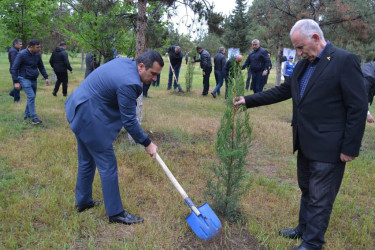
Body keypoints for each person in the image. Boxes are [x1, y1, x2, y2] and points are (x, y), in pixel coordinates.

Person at [234, 19, 367, 250]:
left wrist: (350, 148)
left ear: (315, 38)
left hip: (330, 145)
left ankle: (313, 243)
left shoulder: (344, 61)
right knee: (307, 188)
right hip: (305, 141)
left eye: (300, 47)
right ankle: (303, 229)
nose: (298, 52)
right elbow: (286, 90)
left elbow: (357, 107)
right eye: (296, 47)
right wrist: (248, 100)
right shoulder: (305, 64)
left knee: (320, 197)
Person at [65, 50, 163, 225]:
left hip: (79, 107)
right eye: (153, 74)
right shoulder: (131, 83)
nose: (154, 79)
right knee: (108, 165)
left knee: (87, 161)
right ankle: (116, 213)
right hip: (88, 117)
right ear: (141, 66)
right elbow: (130, 121)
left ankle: (83, 202)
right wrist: (148, 143)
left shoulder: (125, 62)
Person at [11, 39, 49, 125]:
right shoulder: (21, 54)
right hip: (23, 78)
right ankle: (34, 118)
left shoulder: (37, 55)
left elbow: (41, 67)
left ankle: (26, 115)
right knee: (31, 96)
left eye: (40, 47)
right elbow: (14, 68)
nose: (39, 48)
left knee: (31, 97)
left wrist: (46, 77)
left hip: (33, 78)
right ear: (31, 47)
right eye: (37, 47)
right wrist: (16, 81)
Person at [8, 39, 23, 103]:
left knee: (20, 84)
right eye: (20, 44)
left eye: (21, 44)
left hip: (17, 69)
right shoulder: (13, 51)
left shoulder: (16, 50)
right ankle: (17, 99)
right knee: (17, 84)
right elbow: (14, 62)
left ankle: (12, 93)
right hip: (15, 70)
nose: (21, 45)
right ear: (15, 44)